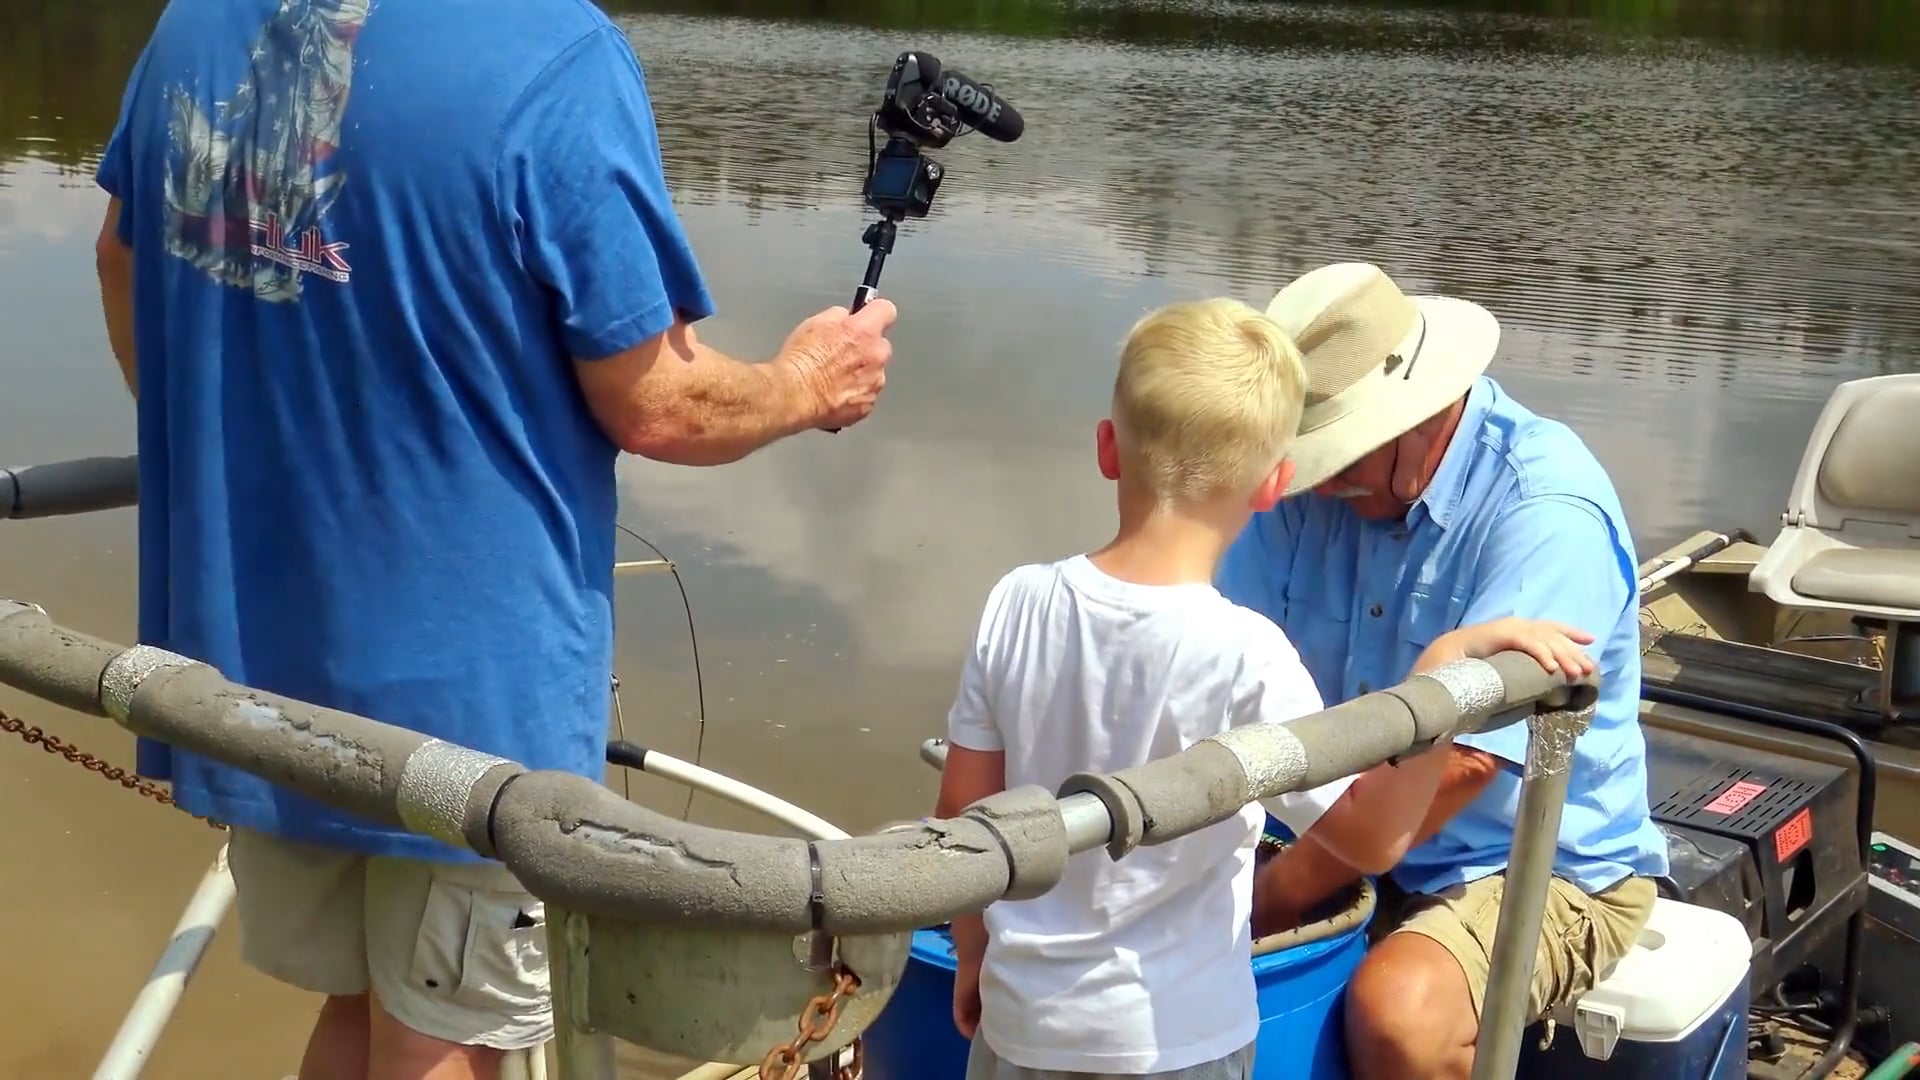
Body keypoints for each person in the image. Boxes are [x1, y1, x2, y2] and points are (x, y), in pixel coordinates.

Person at [90, 2, 897, 1078]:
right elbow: (659, 403)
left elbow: (121, 257)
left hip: (256, 663)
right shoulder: (554, 54)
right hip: (466, 699)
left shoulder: (201, 21)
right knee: (448, 1044)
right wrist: (805, 383)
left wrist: (230, 469)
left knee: (360, 1007)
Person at [932, 297, 1598, 1080]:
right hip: (1176, 1043)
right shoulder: (1248, 652)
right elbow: (1370, 838)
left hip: (1018, 1027)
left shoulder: (1015, 599)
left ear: (1108, 449)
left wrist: (975, 957)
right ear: (1275, 483)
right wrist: (1442, 678)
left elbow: (963, 820)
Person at [1215, 261, 1672, 1080]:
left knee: (1398, 1017)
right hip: (1338, 825)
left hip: (1532, 859)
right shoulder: (1307, 493)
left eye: (1341, 458)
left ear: (1426, 412)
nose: (1322, 484)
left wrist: (1268, 900)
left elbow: (1462, 766)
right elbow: (1213, 666)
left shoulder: (1544, 509)